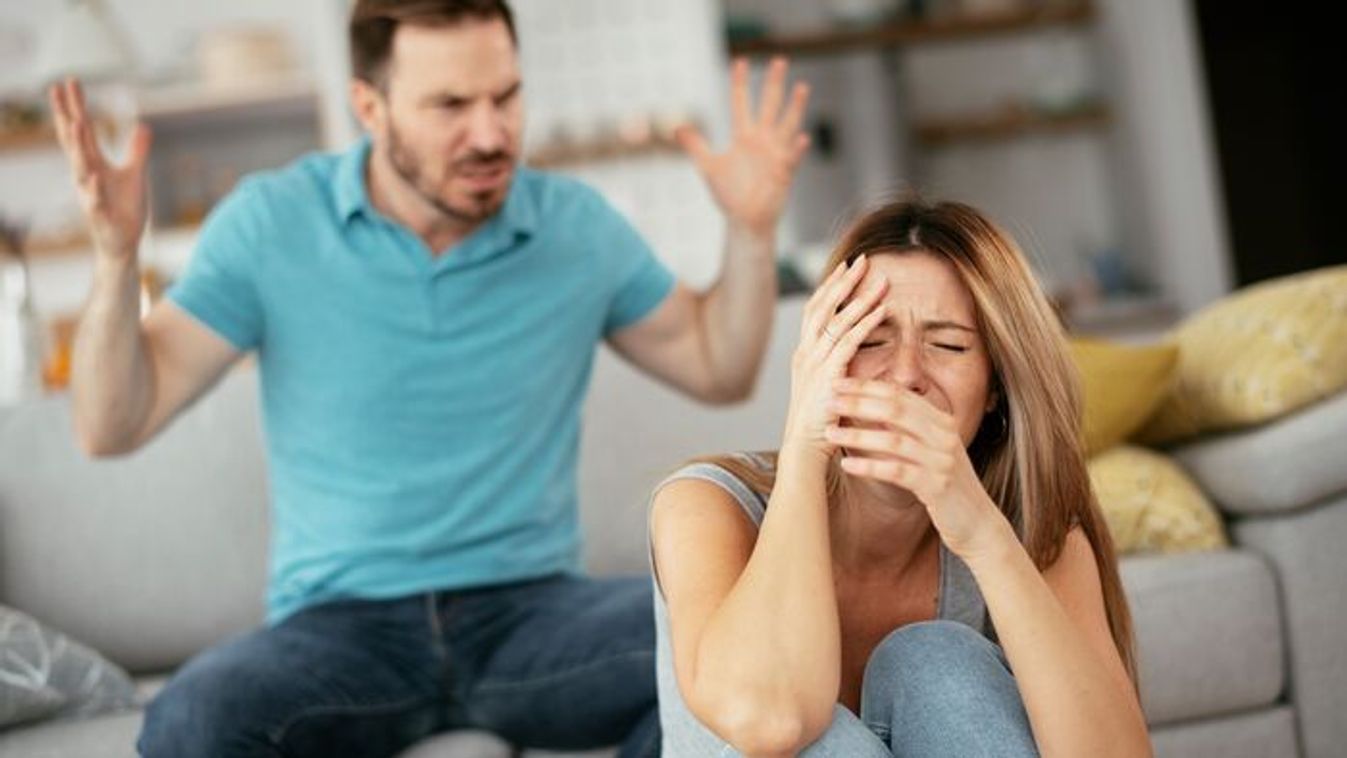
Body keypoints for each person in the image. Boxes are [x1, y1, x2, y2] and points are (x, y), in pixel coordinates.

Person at [46, 0, 811, 754]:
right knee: (191, 722)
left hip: (532, 617)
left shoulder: (576, 228)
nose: (491, 134)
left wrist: (749, 230)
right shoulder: (271, 224)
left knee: (731, 657)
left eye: (504, 97)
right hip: (340, 629)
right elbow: (111, 425)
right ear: (369, 107)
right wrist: (115, 261)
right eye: (450, 105)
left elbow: (718, 367)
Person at [649, 199, 1153, 757]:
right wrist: (804, 447)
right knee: (823, 741)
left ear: (994, 388)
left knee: (933, 662)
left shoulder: (1032, 533)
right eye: (869, 339)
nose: (906, 375)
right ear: (818, 359)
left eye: (948, 344)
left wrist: (984, 535)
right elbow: (772, 721)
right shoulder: (706, 504)